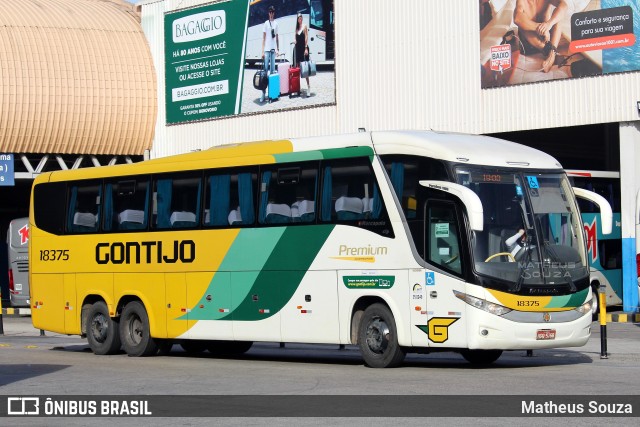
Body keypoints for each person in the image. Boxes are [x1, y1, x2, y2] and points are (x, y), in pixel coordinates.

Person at [513, 0, 569, 73]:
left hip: (546, 38)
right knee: (521, 24)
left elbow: (564, 5)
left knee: (558, 18)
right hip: (530, 42)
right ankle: (550, 52)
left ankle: (551, 55)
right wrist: (539, 28)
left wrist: (549, 24)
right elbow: (517, 18)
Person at [260, 5, 280, 103]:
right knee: (264, 73)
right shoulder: (265, 24)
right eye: (270, 12)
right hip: (267, 51)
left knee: (272, 72)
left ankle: (271, 93)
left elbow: (276, 38)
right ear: (268, 13)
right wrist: (262, 51)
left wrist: (278, 49)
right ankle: (263, 94)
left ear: (274, 13)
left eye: (273, 12)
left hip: (273, 51)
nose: (271, 14)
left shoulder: (276, 24)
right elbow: (263, 38)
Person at [293, 13, 311, 96]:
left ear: (302, 18)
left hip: (304, 49)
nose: (300, 19)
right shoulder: (296, 29)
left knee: (305, 70)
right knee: (298, 69)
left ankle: (308, 88)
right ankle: (298, 88)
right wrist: (294, 41)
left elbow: (306, 37)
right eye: (298, 18)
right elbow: (295, 38)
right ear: (297, 20)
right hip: (297, 50)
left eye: (301, 18)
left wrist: (306, 48)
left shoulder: (304, 26)